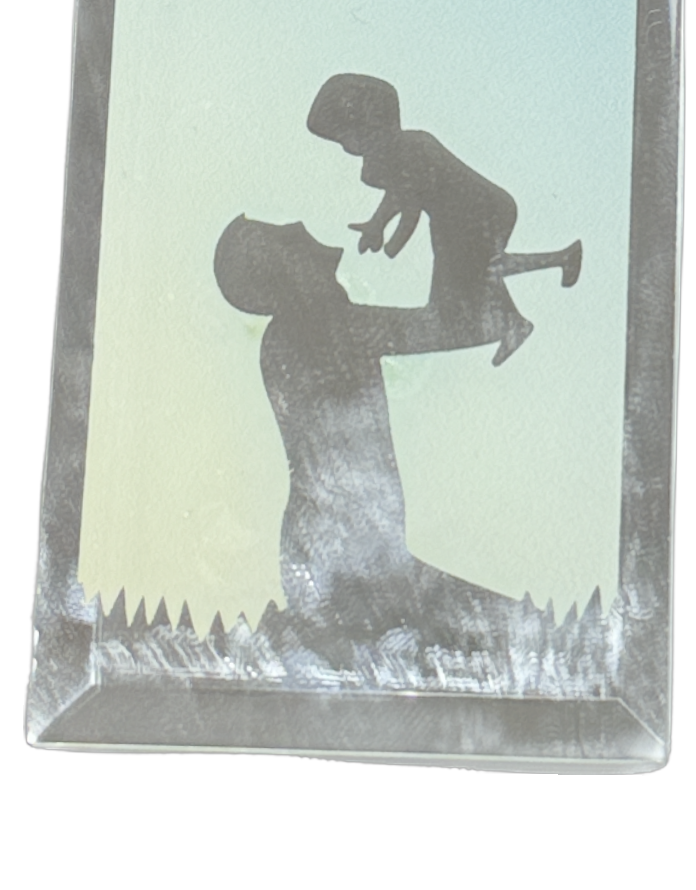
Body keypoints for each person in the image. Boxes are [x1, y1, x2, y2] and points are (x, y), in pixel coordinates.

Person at [213, 214, 500, 635]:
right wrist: (456, 237)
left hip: (335, 556)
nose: (297, 227)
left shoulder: (299, 334)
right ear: (284, 272)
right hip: (345, 562)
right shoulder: (324, 327)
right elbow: (458, 325)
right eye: (283, 237)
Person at [306, 73, 581, 366]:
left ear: (368, 126)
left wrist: (393, 244)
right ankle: (558, 264)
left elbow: (410, 205)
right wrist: (376, 225)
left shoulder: (409, 149)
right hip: (473, 213)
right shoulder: (391, 155)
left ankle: (513, 322)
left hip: (474, 214)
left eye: (347, 138)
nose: (348, 147)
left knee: (455, 293)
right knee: (481, 268)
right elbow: (398, 193)